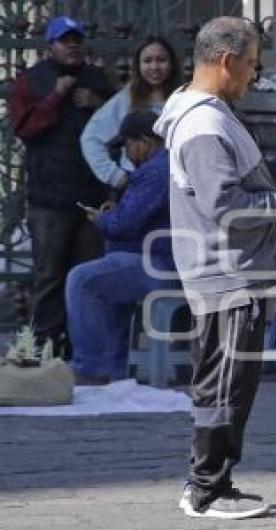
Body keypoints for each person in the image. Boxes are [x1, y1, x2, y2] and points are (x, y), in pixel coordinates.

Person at [153, 17, 276, 519]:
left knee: (231, 380)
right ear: (226, 62)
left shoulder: (209, 113)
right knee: (224, 382)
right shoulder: (203, 122)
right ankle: (205, 488)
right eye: (251, 65)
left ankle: (214, 482)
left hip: (234, 270)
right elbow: (225, 205)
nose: (253, 76)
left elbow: (234, 186)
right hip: (227, 272)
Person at [10, 15, 114, 355]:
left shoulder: (97, 80)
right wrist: (55, 97)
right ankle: (43, 347)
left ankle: (82, 350)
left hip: (90, 198)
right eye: (64, 40)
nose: (72, 46)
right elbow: (24, 129)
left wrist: (97, 104)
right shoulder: (31, 81)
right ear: (49, 46)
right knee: (49, 276)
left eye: (76, 40)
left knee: (84, 277)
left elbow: (120, 127)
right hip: (48, 198)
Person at [65, 110, 174, 384]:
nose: (126, 152)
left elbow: (122, 225)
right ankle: (111, 370)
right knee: (108, 280)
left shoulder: (156, 171)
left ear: (144, 142)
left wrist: (102, 219)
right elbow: (138, 216)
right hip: (154, 257)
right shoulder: (160, 168)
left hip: (159, 263)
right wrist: (116, 211)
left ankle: (90, 367)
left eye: (127, 145)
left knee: (82, 280)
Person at [80, 36, 180, 196]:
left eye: (161, 60)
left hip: (176, 189)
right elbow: (90, 138)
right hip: (139, 189)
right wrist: (115, 176)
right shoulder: (127, 98)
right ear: (138, 66)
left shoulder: (184, 97)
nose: (154, 66)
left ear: (172, 64)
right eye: (147, 61)